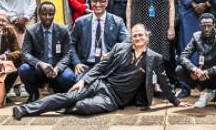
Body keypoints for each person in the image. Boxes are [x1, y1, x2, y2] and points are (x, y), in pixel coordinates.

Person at [12, 24, 180, 118]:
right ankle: (25, 110)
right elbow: (101, 66)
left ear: (147, 37)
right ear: (131, 37)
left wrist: (176, 102)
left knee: (83, 106)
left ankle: (66, 107)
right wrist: (83, 80)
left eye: (141, 35)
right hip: (99, 84)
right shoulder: (120, 48)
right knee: (69, 96)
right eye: (135, 35)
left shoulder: (154, 58)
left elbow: (164, 81)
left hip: (113, 99)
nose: (138, 38)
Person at [177, 13, 216, 110]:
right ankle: (205, 92)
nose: (207, 29)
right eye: (203, 26)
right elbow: (183, 57)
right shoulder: (196, 36)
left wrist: (210, 71)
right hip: (202, 77)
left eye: (209, 26)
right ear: (200, 26)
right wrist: (194, 69)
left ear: (214, 26)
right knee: (179, 69)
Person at [19, 1, 76, 99]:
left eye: (50, 14)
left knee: (69, 77)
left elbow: (68, 53)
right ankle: (33, 95)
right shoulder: (31, 30)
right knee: (24, 69)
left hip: (57, 69)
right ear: (39, 14)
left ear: (54, 14)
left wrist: (58, 68)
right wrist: (40, 64)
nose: (47, 17)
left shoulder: (63, 30)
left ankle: (59, 94)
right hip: (39, 69)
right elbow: (25, 53)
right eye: (44, 14)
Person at [69, 0, 131, 73]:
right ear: (91, 3)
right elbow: (70, 43)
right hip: (86, 65)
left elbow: (127, 43)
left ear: (106, 2)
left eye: (101, 1)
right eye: (94, 1)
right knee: (81, 83)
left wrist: (111, 55)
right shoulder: (80, 22)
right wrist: (76, 62)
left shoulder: (117, 22)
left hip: (109, 65)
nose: (97, 4)